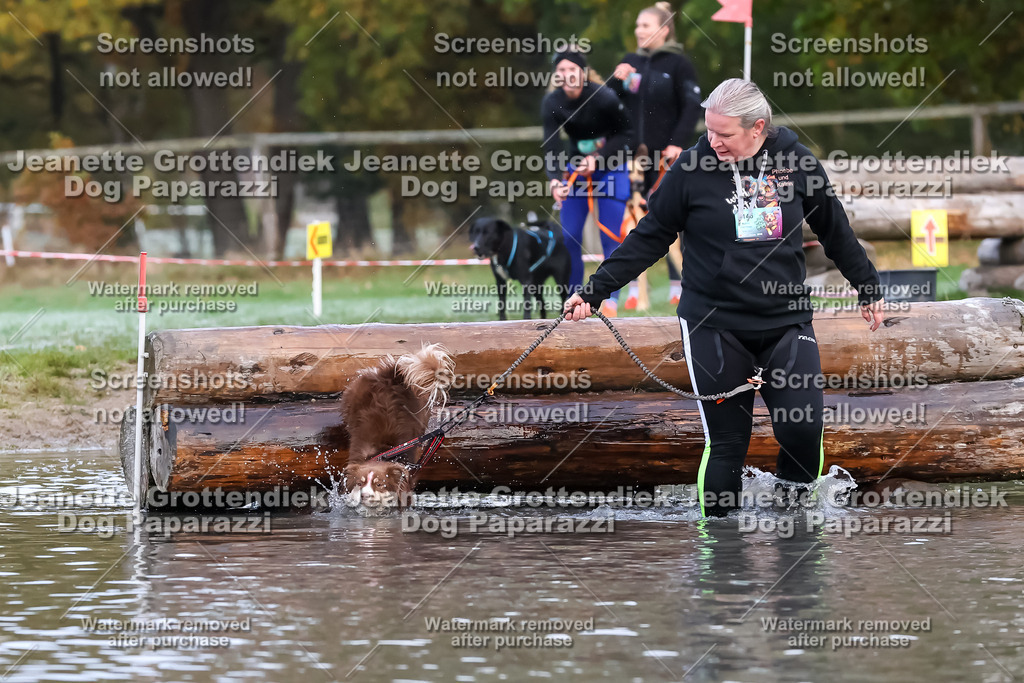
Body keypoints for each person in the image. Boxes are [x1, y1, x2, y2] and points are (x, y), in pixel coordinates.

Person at [563, 78, 886, 518]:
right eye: (709, 130)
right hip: (713, 325)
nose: (713, 141)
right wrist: (595, 290)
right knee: (728, 442)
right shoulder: (690, 169)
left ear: (757, 128)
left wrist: (867, 285)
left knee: (804, 431)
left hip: (786, 321)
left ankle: (795, 529)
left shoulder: (796, 161)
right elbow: (650, 236)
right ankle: (720, 546)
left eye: (725, 133)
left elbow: (835, 229)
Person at [607, 2, 702, 308]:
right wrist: (615, 82)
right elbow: (607, 106)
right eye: (637, 25)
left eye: (645, 25)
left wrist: (677, 143)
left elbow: (691, 107)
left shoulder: (679, 64)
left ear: (663, 30)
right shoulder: (630, 62)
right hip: (634, 158)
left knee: (673, 215)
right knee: (633, 220)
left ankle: (680, 283)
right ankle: (636, 289)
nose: (638, 30)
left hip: (667, 156)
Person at [542, 48, 634, 317]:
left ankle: (611, 299)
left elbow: (628, 135)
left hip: (611, 166)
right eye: (561, 70)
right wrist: (555, 180)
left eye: (572, 69)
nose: (567, 75)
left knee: (610, 235)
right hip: (577, 170)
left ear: (582, 73)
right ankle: (574, 298)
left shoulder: (603, 96)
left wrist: (599, 158)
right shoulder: (552, 103)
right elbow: (551, 146)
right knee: (569, 235)